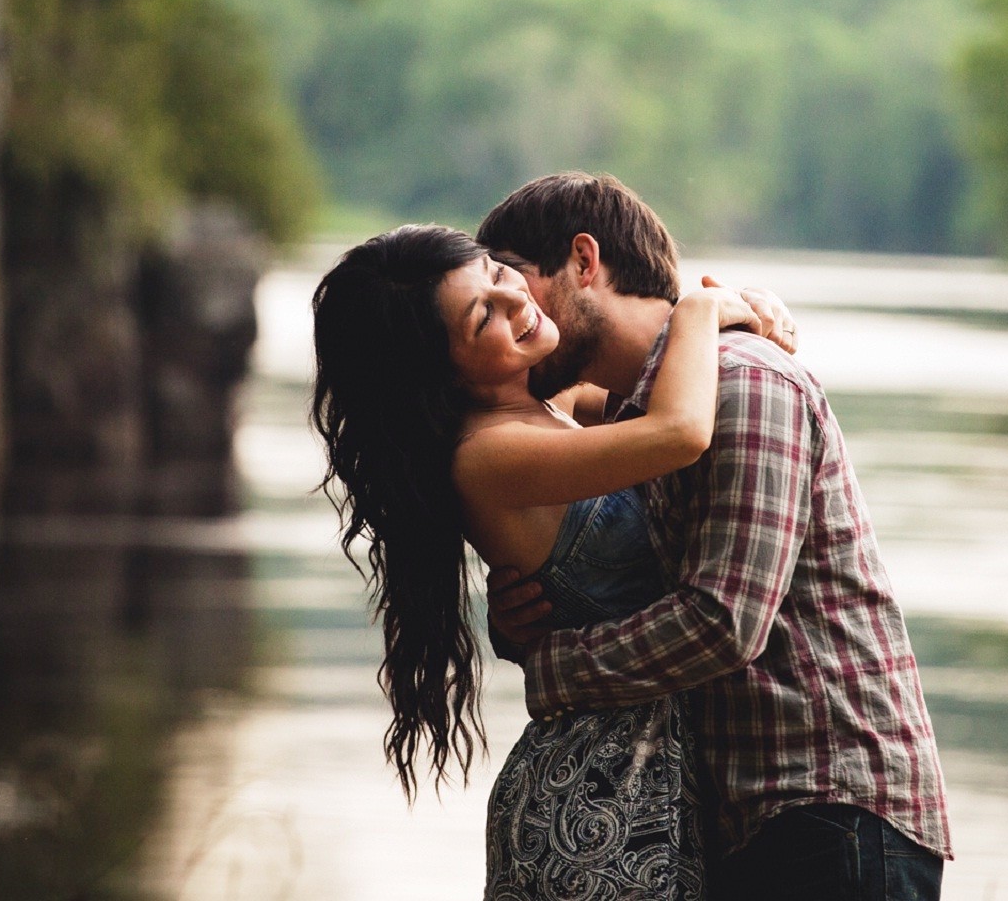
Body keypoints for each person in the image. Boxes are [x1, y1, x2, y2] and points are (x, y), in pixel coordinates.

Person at [478, 172, 952, 901]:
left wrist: (553, 671)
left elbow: (725, 619)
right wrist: (521, 608)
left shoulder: (746, 381)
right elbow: (608, 561)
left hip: (832, 807)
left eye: (516, 283)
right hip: (752, 817)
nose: (514, 318)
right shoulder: (648, 410)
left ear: (583, 261)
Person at [310, 223, 797, 899]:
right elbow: (679, 430)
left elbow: (654, 373)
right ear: (439, 371)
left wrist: (748, 308)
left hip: (654, 784)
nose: (516, 302)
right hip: (597, 802)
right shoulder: (488, 455)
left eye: (497, 274)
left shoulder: (556, 405)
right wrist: (701, 307)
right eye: (485, 315)